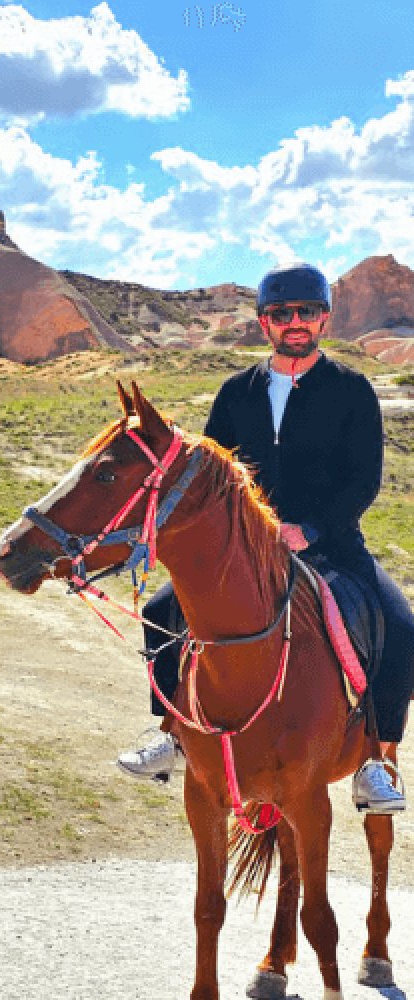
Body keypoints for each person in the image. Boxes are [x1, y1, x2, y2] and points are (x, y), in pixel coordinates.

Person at [117, 261, 413, 814]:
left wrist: (312, 529)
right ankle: (171, 735)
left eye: (306, 312)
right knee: (161, 611)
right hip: (244, 552)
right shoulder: (236, 393)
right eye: (282, 313)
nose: (294, 322)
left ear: (324, 320)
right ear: (264, 324)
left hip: (330, 546)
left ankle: (375, 758)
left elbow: (363, 479)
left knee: (400, 627)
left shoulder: (353, 391)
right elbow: (209, 477)